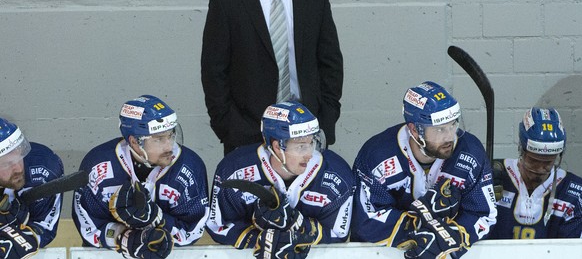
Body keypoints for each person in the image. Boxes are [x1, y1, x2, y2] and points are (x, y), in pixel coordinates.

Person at [201, 0, 343, 155]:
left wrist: (325, 119)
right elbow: (214, 71)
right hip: (247, 132)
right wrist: (229, 127)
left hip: (307, 127)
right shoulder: (227, 1)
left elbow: (330, 63)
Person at [351, 81, 497, 258]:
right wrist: (418, 231)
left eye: (453, 125)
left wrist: (449, 237)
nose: (449, 136)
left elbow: (484, 214)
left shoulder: (470, 152)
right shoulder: (376, 156)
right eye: (440, 129)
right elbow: (365, 219)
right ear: (414, 129)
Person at [206, 101, 354, 258]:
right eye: (301, 146)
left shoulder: (336, 176)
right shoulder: (234, 169)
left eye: (312, 143)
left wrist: (300, 229)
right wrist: (260, 240)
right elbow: (218, 226)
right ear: (277, 146)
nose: (309, 154)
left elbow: (338, 234)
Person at [72, 95, 210, 258]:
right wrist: (122, 238)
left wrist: (157, 220)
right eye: (159, 139)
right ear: (135, 142)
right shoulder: (98, 166)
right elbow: (88, 225)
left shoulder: (190, 167)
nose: (169, 146)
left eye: (171, 135)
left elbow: (192, 229)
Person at [489, 107, 582, 239]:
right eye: (533, 161)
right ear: (521, 149)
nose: (539, 169)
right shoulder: (493, 174)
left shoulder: (574, 193)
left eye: (548, 162)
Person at [0, 118, 64, 258]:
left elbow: (45, 227)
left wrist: (25, 238)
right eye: (7, 164)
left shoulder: (44, 167)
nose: (18, 168)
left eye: (19, 157)